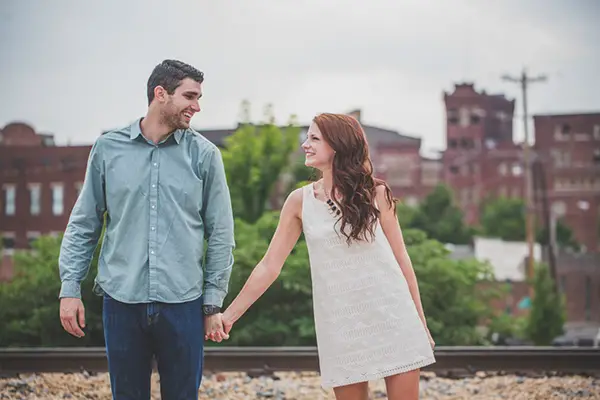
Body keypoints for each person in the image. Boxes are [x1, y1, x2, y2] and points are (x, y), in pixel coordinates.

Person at [221, 113, 436, 400]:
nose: (305, 145)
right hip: (340, 324)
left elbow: (401, 259)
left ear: (337, 145)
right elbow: (269, 266)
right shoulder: (299, 201)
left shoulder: (377, 193)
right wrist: (229, 315)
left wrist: (420, 322)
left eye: (314, 138)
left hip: (393, 315)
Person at [58, 59, 235, 399]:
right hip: (121, 300)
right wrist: (70, 288)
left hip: (184, 302)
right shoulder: (108, 149)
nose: (197, 107)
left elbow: (222, 234)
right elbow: (84, 224)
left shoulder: (205, 155)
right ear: (161, 94)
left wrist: (212, 303)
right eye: (190, 96)